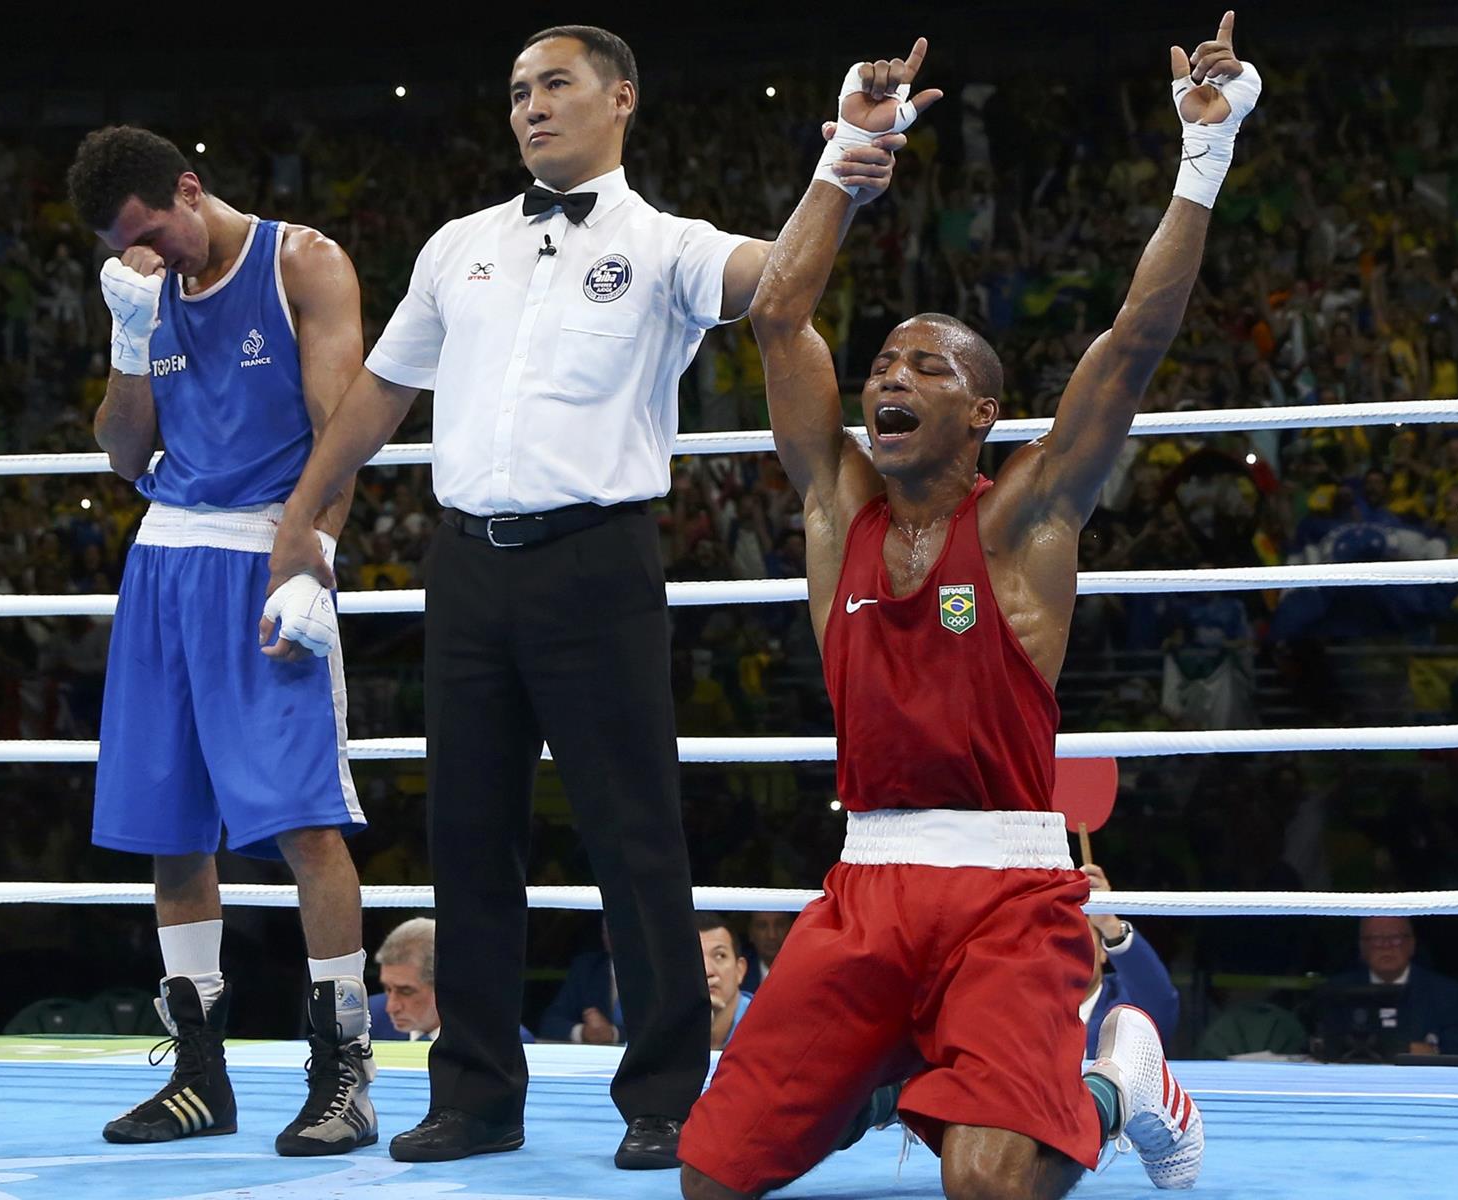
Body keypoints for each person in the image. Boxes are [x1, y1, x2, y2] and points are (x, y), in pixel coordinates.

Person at [271, 24, 901, 1171]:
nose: (531, 107)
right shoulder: (457, 245)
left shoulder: (664, 244)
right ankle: (473, 1095)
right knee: (467, 835)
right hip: (463, 566)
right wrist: (301, 524)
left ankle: (665, 1093)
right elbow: (376, 397)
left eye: (555, 84)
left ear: (622, 98)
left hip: (598, 560)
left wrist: (843, 164)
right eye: (516, 91)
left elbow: (782, 283)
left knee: (633, 832)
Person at [679, 20, 1260, 1198]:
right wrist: (847, 152)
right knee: (712, 1177)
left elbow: (1135, 340)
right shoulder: (838, 510)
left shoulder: (1029, 518)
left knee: (985, 1184)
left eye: (928, 367)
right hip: (863, 890)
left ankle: (1119, 1080)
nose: (892, 376)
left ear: (984, 412)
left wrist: (1207, 154)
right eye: (887, 362)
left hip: (1007, 894)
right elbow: (780, 320)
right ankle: (895, 1076)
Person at [65, 125, 376, 1158]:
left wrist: (313, 561)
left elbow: (343, 430)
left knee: (303, 818)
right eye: (131, 246)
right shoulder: (145, 287)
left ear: (190, 188)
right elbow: (123, 453)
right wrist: (128, 328)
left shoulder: (303, 262)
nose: (156, 254)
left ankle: (346, 1076)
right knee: (172, 829)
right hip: (162, 559)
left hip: (263, 555)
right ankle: (201, 1078)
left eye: (159, 232)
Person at [1318, 916, 1458, 1056]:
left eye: (1395, 938)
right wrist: (1401, 1049)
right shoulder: (1337, 990)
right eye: (1376, 939)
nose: (1386, 946)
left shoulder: (1445, 993)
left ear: (1412, 944)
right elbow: (1325, 1046)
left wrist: (1433, 1051)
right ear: (1362, 947)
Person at [371, 917, 536, 1044]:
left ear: (446, 985)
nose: (391, 1006)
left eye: (406, 991)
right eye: (387, 989)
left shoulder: (502, 1040)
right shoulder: (364, 1020)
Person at [1080, 863, 1179, 1056]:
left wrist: (1108, 923)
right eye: (1058, 941)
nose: (1069, 950)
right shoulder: (1025, 1008)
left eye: (1080, 936)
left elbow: (1161, 1003)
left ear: (1103, 952)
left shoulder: (1126, 1007)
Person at [697, 914, 753, 1052]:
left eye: (720, 956)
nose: (708, 971)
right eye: (695, 957)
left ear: (740, 970)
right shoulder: (662, 1027)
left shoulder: (766, 1023)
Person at [740, 909, 793, 993]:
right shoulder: (739, 975)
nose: (772, 935)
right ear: (751, 933)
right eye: (762, 926)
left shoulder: (806, 971)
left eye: (780, 925)